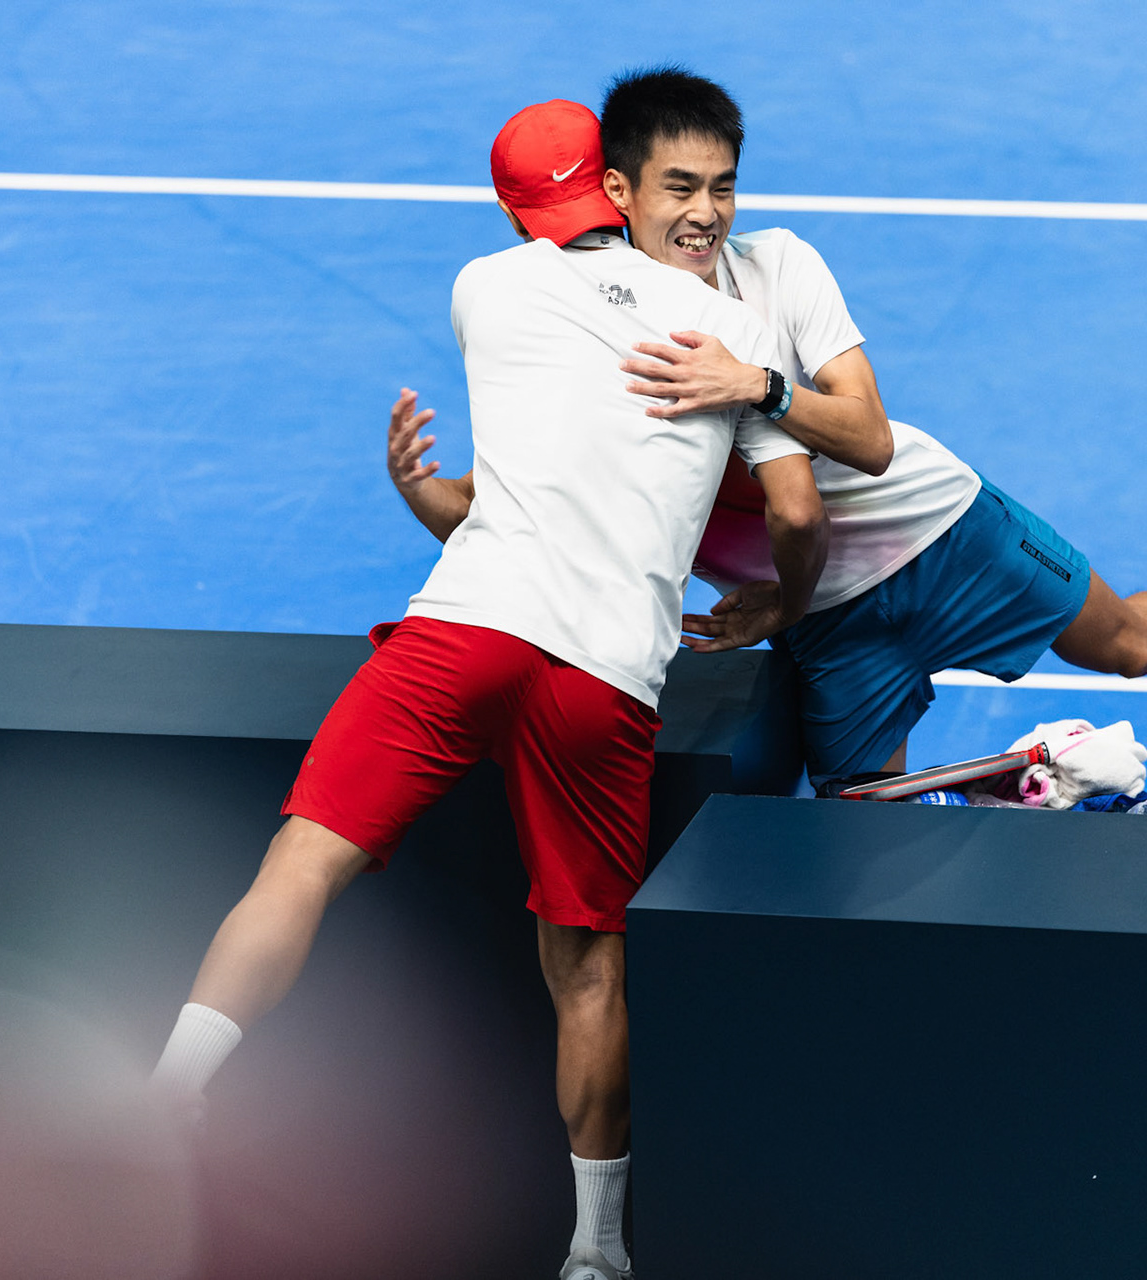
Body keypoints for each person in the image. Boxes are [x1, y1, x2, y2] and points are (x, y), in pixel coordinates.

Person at [153, 99, 826, 1280]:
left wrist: (432, 498)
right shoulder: (724, 323)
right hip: (604, 675)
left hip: (464, 629)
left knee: (301, 865)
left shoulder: (486, 287)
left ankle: (167, 1096)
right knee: (587, 964)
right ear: (617, 191)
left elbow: (549, 446)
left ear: (519, 209)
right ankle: (596, 1254)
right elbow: (792, 502)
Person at [599, 67, 1147, 781]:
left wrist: (761, 386)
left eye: (723, 188)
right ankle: (1031, 781)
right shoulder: (585, 338)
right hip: (825, 613)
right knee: (868, 827)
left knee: (1128, 645)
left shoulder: (781, 265)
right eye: (681, 188)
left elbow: (871, 439)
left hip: (942, 528)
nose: (707, 214)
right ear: (620, 191)